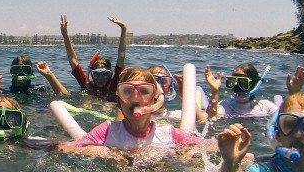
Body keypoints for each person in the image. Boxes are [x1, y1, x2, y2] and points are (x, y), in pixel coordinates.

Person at [54, 68, 218, 159]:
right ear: (119, 99)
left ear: (155, 100)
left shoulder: (169, 133)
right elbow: (71, 147)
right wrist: (102, 152)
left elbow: (209, 146)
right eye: (127, 91)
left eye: (144, 91)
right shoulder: (107, 130)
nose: (135, 96)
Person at [59, 15, 128, 102]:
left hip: (109, 109)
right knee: (87, 103)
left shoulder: (113, 84)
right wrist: (65, 35)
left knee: (107, 106)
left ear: (111, 74)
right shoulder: (86, 82)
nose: (101, 78)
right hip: (90, 109)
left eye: (105, 74)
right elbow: (73, 59)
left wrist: (124, 28)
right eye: (97, 74)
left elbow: (121, 56)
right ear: (91, 74)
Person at [204, 64, 304, 118]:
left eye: (243, 83)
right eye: (232, 82)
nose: (237, 88)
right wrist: (214, 91)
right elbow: (211, 117)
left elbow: (286, 119)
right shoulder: (226, 106)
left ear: (254, 84)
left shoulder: (265, 106)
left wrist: (293, 93)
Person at [0, 55, 70, 98]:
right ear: (12, 72)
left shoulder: (41, 89)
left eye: (26, 70)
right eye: (17, 70)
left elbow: (65, 96)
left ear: (31, 73)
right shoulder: (5, 92)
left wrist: (49, 76)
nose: (21, 73)